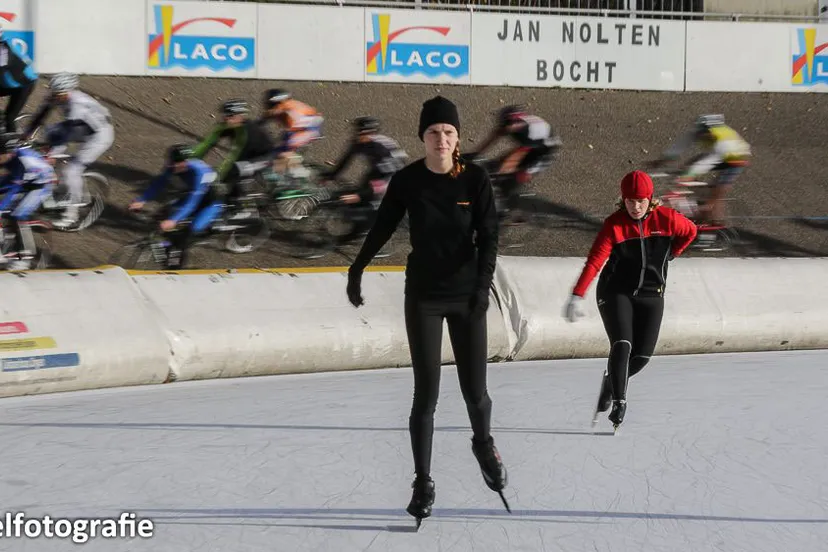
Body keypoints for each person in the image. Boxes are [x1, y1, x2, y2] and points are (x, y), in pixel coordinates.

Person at [345, 95, 508, 524]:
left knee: (475, 392)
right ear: (423, 137)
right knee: (426, 395)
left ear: (457, 138)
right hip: (424, 296)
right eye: (434, 132)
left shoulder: (474, 179)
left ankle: (483, 443)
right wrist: (357, 268)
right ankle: (422, 482)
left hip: (467, 295)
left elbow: (490, 236)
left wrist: (482, 287)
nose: (441, 139)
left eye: (449, 132)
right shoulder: (408, 181)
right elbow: (383, 226)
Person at [563, 170, 697, 431]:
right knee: (622, 345)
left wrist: (672, 253)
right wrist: (577, 295)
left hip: (652, 294)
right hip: (616, 292)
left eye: (640, 201)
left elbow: (690, 231)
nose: (635, 207)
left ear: (650, 199)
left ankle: (610, 383)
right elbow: (595, 261)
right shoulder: (614, 225)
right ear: (622, 200)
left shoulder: (668, 219)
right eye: (629, 201)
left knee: (642, 356)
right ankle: (619, 401)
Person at [23, 72, 114, 229]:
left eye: (60, 95)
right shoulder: (56, 96)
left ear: (69, 91)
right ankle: (56, 190)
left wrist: (52, 153)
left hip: (100, 135)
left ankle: (71, 215)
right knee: (51, 132)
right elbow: (41, 115)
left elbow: (69, 132)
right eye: (55, 93)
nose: (56, 97)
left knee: (71, 170)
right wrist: (26, 134)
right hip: (82, 127)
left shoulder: (76, 104)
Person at [129, 144, 222, 270]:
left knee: (188, 232)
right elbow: (159, 183)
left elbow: (192, 203)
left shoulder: (199, 173)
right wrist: (142, 200)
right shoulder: (173, 166)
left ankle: (175, 269)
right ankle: (167, 244)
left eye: (177, 162)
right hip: (191, 197)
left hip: (210, 203)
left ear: (186, 162)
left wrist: (173, 220)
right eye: (171, 161)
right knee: (162, 214)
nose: (172, 165)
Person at [649, 114, 751, 227]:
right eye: (702, 133)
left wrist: (687, 177)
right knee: (689, 165)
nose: (703, 136)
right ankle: (698, 195)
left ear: (712, 132)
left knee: (718, 190)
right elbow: (679, 146)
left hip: (736, 159)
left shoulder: (722, 141)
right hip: (717, 154)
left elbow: (707, 162)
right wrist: (661, 161)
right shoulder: (698, 131)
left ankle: (712, 217)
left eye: (706, 134)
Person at [322, 116, 408, 240]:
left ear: (371, 133)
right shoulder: (358, 142)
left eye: (362, 133)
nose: (358, 135)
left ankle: (366, 230)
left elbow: (382, 183)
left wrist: (360, 196)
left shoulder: (380, 148)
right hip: (377, 169)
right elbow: (345, 161)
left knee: (369, 202)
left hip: (392, 172)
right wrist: (331, 176)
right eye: (357, 132)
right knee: (360, 192)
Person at [468, 105, 561, 219]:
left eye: (511, 124)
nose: (509, 127)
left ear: (519, 122)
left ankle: (504, 206)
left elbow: (517, 157)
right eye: (506, 125)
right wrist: (475, 154)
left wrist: (498, 173)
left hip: (544, 152)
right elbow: (492, 138)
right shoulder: (509, 125)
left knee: (519, 174)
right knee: (497, 164)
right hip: (531, 146)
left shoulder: (527, 132)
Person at [191, 99, 275, 212]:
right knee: (230, 173)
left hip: (265, 157)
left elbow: (236, 158)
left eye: (230, 116)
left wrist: (220, 176)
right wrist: (191, 157)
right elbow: (208, 143)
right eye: (225, 115)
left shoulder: (249, 132)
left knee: (235, 171)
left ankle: (241, 208)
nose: (226, 118)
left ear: (240, 116)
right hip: (248, 156)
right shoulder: (229, 125)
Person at [0, 133, 56, 271]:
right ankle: (7, 240)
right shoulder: (10, 155)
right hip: (25, 178)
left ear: (9, 153)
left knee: (18, 214)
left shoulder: (21, 161)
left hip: (40, 185)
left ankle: (24, 256)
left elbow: (13, 189)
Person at [259, 88, 324, 175]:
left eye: (269, 105)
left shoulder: (289, 108)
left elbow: (294, 129)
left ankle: (299, 173)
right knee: (275, 152)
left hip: (308, 129)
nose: (268, 108)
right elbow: (263, 120)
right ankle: (282, 172)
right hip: (299, 128)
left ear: (278, 103)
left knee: (284, 152)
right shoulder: (282, 107)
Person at [0, 26, 38, 133]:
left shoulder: (3, 52)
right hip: (9, 81)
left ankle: (11, 140)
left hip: (23, 85)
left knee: (9, 118)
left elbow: (1, 70)